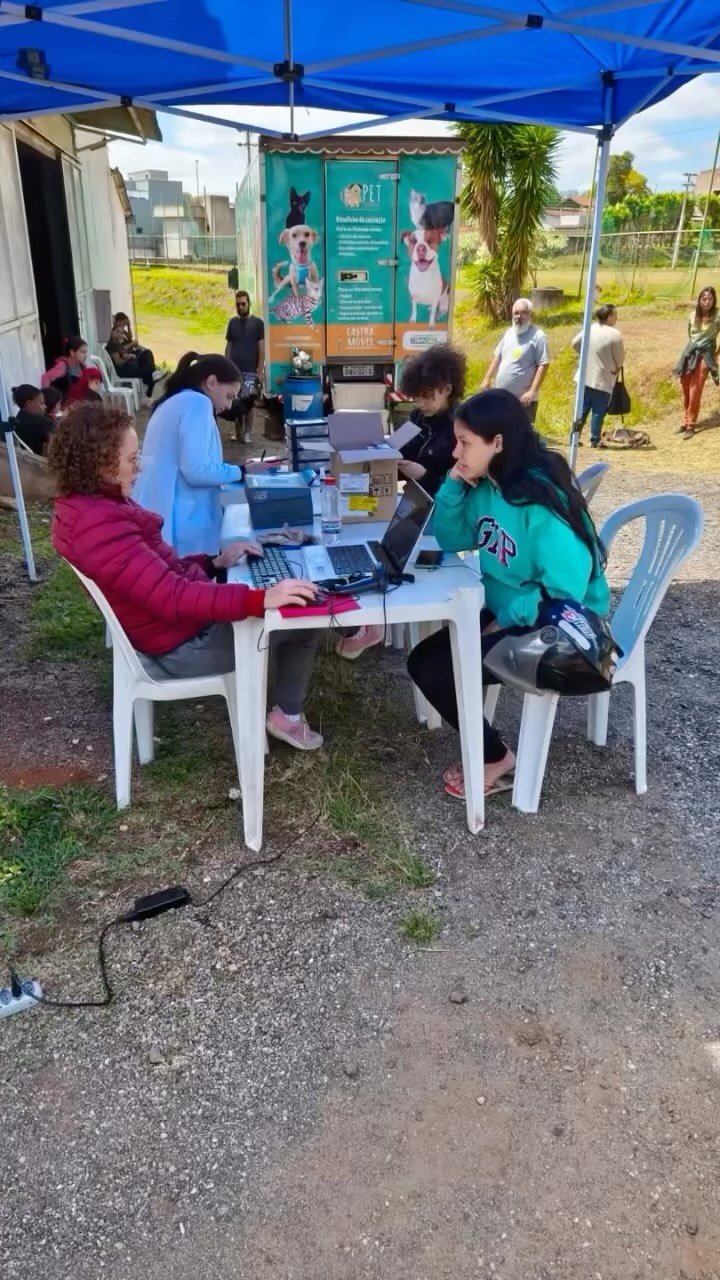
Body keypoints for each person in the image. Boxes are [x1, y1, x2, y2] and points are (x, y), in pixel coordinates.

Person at [48, 402, 324, 750]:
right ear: (99, 462)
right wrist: (260, 600)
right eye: (132, 460)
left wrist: (214, 563)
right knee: (302, 619)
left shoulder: (90, 506)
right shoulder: (99, 525)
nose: (138, 468)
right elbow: (172, 596)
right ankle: (287, 716)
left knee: (281, 600)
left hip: (169, 633)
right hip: (176, 649)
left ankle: (285, 712)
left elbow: (156, 575)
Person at [407, 390, 610, 800]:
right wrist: (452, 485)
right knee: (423, 660)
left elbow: (564, 590)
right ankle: (494, 754)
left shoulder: (538, 497)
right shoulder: (487, 485)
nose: (455, 452)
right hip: (513, 612)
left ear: (497, 442)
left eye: (465, 443)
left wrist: (505, 619)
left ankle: (498, 760)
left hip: (560, 625)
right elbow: (451, 536)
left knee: (440, 669)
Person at [133, 351, 245, 557]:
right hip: (183, 522)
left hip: (165, 511)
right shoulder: (197, 403)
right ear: (211, 382)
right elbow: (197, 470)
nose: (229, 405)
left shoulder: (174, 400)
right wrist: (242, 472)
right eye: (229, 395)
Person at [396, 345, 467, 496]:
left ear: (447, 389)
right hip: (414, 499)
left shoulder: (463, 426)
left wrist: (424, 476)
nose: (420, 404)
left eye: (427, 396)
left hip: (443, 506)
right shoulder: (418, 416)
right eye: (416, 397)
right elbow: (400, 449)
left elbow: (465, 485)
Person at [481, 298, 550, 423]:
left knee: (521, 435)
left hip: (524, 400)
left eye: (523, 313)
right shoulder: (509, 333)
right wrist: (487, 378)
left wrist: (532, 391)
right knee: (501, 431)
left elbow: (543, 365)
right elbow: (498, 356)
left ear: (531, 315)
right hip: (502, 397)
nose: (519, 316)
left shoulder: (539, 337)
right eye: (516, 313)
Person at [571, 303, 625, 448]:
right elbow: (620, 359)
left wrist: (584, 355)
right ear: (609, 317)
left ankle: (574, 437)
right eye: (615, 315)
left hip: (584, 375)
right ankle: (594, 439)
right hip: (603, 377)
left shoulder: (590, 328)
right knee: (598, 410)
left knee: (581, 408)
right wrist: (617, 368)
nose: (616, 318)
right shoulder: (615, 335)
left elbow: (575, 343)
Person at [674, 285, 720, 439]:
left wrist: (715, 355)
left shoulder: (718, 315)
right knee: (686, 386)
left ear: (714, 301)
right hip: (690, 353)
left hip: (706, 354)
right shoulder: (692, 315)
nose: (707, 302)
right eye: (704, 298)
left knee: (695, 389)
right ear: (699, 300)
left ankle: (691, 425)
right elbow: (690, 335)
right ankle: (685, 419)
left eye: (710, 299)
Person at [224, 290, 265, 444]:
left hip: (250, 372)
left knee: (249, 404)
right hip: (234, 372)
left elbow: (262, 348)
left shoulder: (257, 324)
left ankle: (248, 432)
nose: (240, 307)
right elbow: (228, 346)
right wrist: (226, 365)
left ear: (249, 304)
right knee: (235, 403)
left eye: (243, 304)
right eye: (237, 304)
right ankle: (237, 432)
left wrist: (260, 371)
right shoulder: (232, 323)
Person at [106, 315, 163, 397]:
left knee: (147, 353)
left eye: (121, 333)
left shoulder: (117, 344)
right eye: (117, 332)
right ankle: (152, 376)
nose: (119, 334)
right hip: (125, 371)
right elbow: (118, 363)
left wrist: (127, 355)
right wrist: (128, 357)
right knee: (149, 371)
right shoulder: (113, 345)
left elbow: (122, 355)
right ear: (112, 332)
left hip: (131, 366)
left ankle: (152, 376)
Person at [11, 384, 55, 455]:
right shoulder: (43, 423)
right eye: (42, 403)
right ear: (29, 404)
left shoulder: (18, 418)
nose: (45, 406)